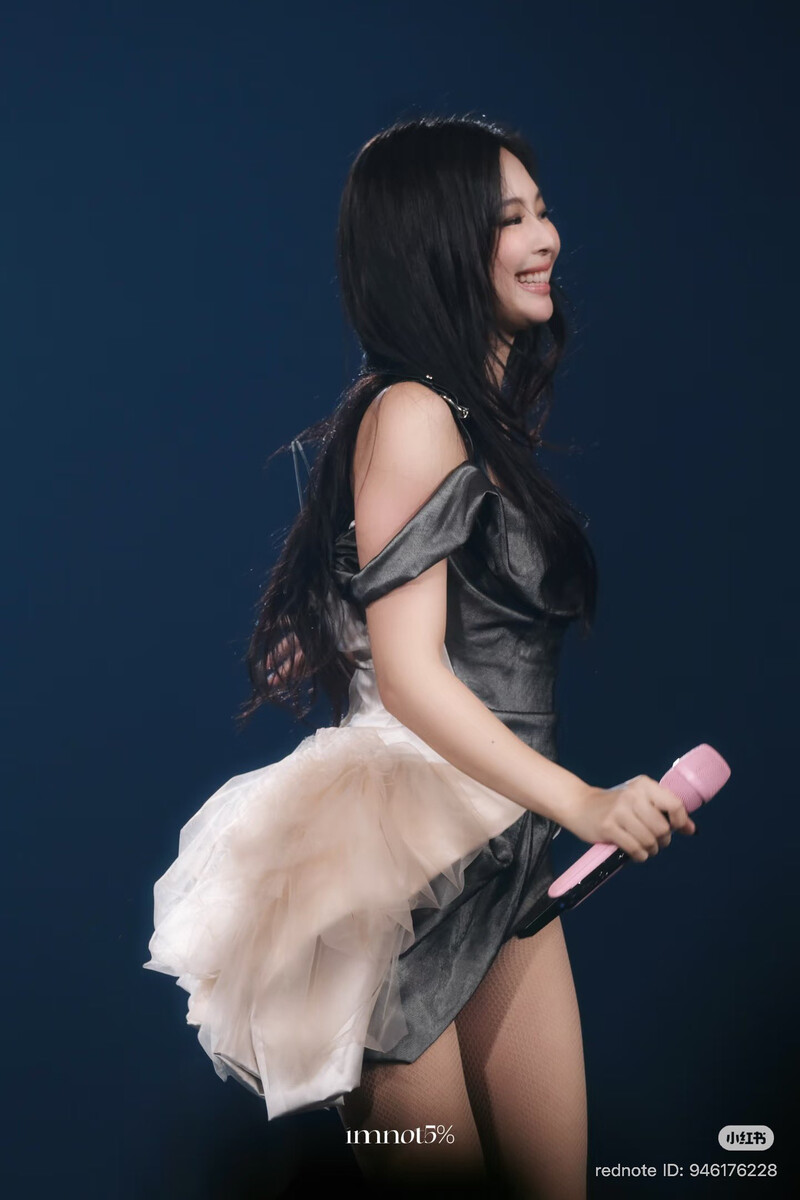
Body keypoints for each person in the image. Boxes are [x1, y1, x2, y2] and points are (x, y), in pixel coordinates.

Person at [143, 114, 696, 1200]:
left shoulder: (468, 423)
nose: (545, 238)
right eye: (510, 219)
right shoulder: (411, 414)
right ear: (437, 245)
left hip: (500, 845)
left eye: (542, 211)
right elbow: (408, 675)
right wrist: (586, 802)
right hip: (407, 871)